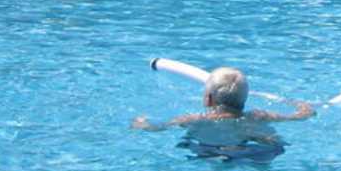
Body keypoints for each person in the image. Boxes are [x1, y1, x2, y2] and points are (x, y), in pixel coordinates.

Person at [131, 66, 315, 156]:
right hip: (249, 150)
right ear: (245, 99)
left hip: (207, 151)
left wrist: (140, 122)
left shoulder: (194, 119)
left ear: (208, 99)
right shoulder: (259, 116)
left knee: (190, 145)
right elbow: (302, 116)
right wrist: (302, 105)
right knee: (270, 144)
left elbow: (156, 128)